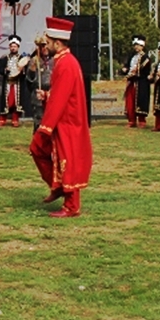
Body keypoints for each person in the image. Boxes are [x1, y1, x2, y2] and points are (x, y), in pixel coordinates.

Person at [30, 17, 93, 219]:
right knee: (46, 153)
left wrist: (45, 127)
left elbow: (60, 99)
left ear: (57, 43)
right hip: (64, 119)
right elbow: (60, 94)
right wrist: (47, 96)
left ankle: (71, 204)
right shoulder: (65, 62)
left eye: (48, 42)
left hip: (67, 121)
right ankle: (57, 187)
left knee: (66, 160)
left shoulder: (66, 64)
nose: (46, 46)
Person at [0, 36, 26, 127]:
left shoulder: (22, 58)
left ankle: (15, 119)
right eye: (11, 46)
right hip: (7, 82)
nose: (13, 48)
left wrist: (21, 70)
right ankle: (2, 119)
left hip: (17, 83)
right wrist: (5, 70)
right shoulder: (5, 58)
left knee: (16, 102)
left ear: (18, 47)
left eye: (15, 46)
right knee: (6, 101)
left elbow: (25, 72)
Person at [121, 35, 153, 128]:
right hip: (131, 82)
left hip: (141, 82)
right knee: (130, 101)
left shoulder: (145, 58)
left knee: (140, 100)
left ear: (142, 46)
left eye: (138, 45)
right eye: (135, 45)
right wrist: (125, 70)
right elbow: (127, 66)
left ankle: (142, 120)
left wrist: (135, 72)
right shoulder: (132, 56)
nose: (136, 47)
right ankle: (131, 120)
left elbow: (144, 70)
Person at [24, 36, 52, 125]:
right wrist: (32, 71)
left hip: (51, 93)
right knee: (39, 121)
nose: (45, 48)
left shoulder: (54, 60)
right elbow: (29, 81)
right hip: (38, 95)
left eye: (46, 45)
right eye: (42, 46)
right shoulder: (34, 60)